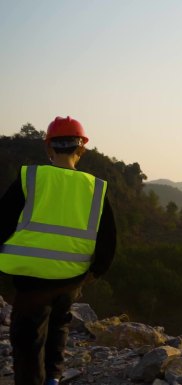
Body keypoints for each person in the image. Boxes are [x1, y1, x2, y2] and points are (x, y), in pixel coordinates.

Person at [0, 116, 116, 385]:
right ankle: (53, 377)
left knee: (28, 339)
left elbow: (3, 220)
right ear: (81, 150)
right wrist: (94, 272)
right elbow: (108, 238)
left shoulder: (30, 177)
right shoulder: (94, 187)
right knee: (58, 326)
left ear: (49, 148)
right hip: (72, 277)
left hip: (31, 279)